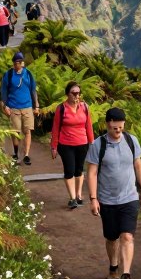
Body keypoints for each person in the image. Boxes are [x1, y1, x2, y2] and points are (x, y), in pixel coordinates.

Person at [85, 107, 141, 279]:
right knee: (112, 237)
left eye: (121, 128)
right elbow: (92, 172)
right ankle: (113, 268)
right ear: (107, 125)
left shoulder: (131, 141)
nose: (118, 131)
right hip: (107, 199)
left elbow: (138, 165)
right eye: (115, 128)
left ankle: (125, 276)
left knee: (127, 236)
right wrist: (93, 198)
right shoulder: (98, 145)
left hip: (129, 197)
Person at [51, 81, 95, 210]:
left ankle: (79, 195)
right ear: (67, 94)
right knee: (69, 170)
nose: (76, 96)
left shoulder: (85, 107)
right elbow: (55, 128)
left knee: (79, 170)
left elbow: (89, 126)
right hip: (66, 144)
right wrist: (54, 146)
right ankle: (72, 198)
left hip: (82, 143)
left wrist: (92, 143)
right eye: (74, 93)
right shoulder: (61, 108)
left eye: (78, 93)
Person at [0, 51, 39, 164]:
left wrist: (36, 105)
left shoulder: (28, 74)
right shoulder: (9, 74)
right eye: (17, 62)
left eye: (21, 62)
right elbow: (4, 90)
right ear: (14, 63)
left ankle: (26, 155)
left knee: (27, 131)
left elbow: (33, 90)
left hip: (27, 106)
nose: (19, 64)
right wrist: (5, 105)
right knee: (15, 132)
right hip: (14, 107)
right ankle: (16, 153)